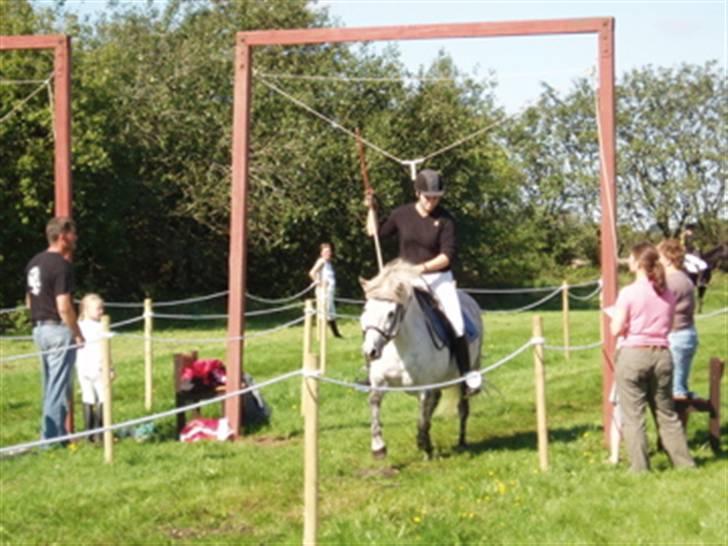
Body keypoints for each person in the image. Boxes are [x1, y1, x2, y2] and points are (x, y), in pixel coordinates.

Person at [365, 168, 480, 395]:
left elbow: (447, 256)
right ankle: (371, 368)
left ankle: (466, 375)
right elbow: (374, 233)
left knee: (456, 322)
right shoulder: (401, 214)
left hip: (439, 279)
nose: (432, 202)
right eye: (428, 197)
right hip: (406, 281)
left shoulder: (446, 219)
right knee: (378, 313)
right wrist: (371, 209)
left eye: (437, 197)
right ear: (418, 193)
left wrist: (422, 268)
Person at [609, 242, 694, 472]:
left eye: (629, 258)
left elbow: (615, 329)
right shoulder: (667, 293)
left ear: (637, 263)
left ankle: (639, 467)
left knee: (634, 415)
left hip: (634, 354)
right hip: (662, 355)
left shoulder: (628, 292)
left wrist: (619, 320)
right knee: (667, 414)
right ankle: (685, 464)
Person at [25, 217, 84, 442]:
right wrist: (77, 332)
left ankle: (55, 434)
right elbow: (64, 305)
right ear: (62, 237)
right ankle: (51, 439)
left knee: (49, 384)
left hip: (39, 329)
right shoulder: (61, 265)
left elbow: (30, 299)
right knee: (59, 386)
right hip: (58, 329)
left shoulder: (34, 262)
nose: (75, 238)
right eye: (73, 234)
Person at [657, 239, 699, 400]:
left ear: (667, 259)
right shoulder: (684, 278)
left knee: (674, 394)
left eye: (659, 257)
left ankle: (675, 425)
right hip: (686, 335)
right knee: (679, 388)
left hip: (676, 337)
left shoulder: (672, 281)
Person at [76, 293, 109, 441]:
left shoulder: (77, 327)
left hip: (82, 366)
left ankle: (89, 434)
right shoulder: (102, 326)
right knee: (103, 397)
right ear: (86, 310)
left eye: (102, 308)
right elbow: (106, 348)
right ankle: (100, 431)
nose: (101, 311)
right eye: (98, 309)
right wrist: (110, 367)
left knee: (87, 397)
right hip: (97, 366)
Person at [308, 243, 343, 338]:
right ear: (321, 253)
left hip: (329, 292)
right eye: (326, 251)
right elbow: (312, 272)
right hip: (323, 292)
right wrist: (318, 282)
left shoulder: (329, 263)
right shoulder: (321, 261)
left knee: (331, 313)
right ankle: (322, 335)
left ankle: (336, 334)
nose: (328, 253)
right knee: (324, 313)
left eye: (329, 251)